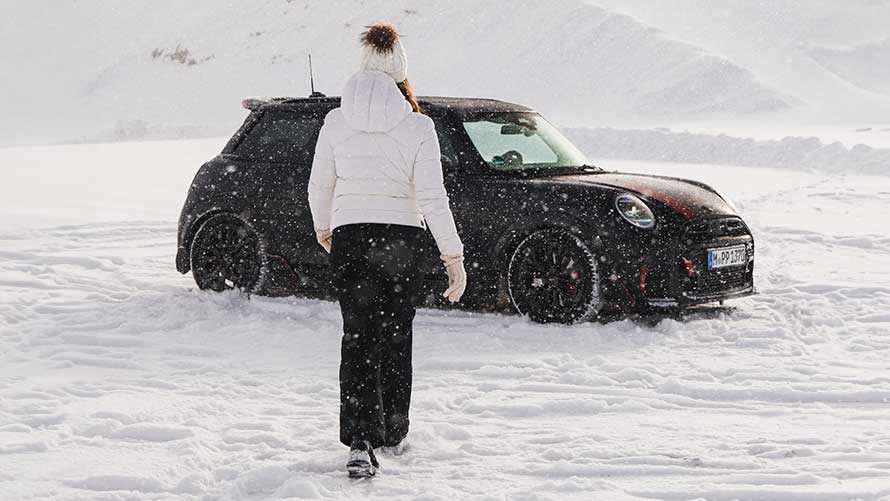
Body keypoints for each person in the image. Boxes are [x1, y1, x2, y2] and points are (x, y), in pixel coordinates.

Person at [307, 22, 467, 478]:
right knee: (396, 333)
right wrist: (452, 258)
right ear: (400, 75)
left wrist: (325, 227)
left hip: (352, 237)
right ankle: (393, 428)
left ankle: (360, 437)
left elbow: (319, 185)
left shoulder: (335, 122)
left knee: (358, 335)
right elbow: (433, 197)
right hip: (401, 239)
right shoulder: (418, 126)